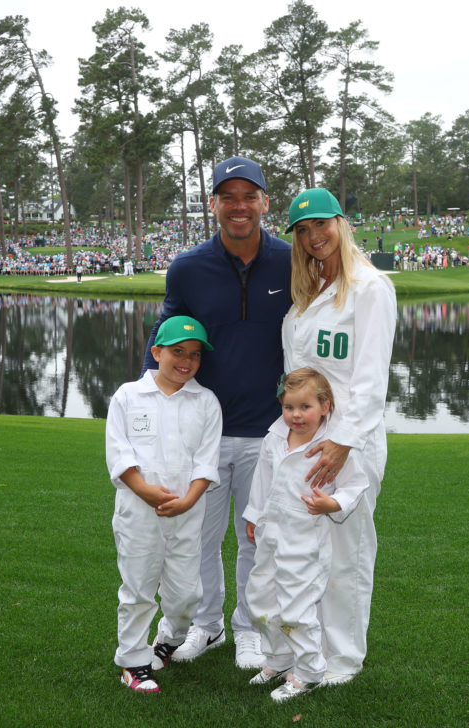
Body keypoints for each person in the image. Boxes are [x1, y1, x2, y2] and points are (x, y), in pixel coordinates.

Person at [142, 156, 292, 670]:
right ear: (213, 205)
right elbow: (164, 338)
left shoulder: (290, 262)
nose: (239, 206)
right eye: (227, 196)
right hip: (202, 430)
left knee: (256, 536)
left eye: (249, 196)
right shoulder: (187, 267)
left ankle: (249, 628)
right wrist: (148, 400)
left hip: (269, 429)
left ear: (265, 203)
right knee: (201, 540)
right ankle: (208, 626)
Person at [281, 188, 397, 685]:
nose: (314, 237)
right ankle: (307, 649)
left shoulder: (369, 287)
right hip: (308, 438)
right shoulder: (307, 295)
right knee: (307, 550)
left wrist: (344, 440)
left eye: (321, 225)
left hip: (352, 442)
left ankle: (344, 659)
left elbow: (372, 379)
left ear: (342, 223)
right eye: (303, 231)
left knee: (347, 551)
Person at [105, 315, 223, 693]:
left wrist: (189, 499)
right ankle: (133, 661)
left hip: (188, 514)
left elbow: (207, 460)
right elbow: (119, 454)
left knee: (187, 592)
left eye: (194, 354)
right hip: (138, 513)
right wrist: (144, 489)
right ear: (156, 352)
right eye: (177, 351)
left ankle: (169, 640)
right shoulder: (128, 396)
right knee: (138, 588)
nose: (186, 360)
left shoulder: (206, 402)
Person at [243, 368, 369, 702]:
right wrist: (255, 515)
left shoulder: (333, 446)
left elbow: (357, 484)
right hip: (272, 531)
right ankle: (279, 658)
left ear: (325, 406)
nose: (296, 416)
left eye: (305, 407)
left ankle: (310, 670)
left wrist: (333, 502)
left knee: (297, 606)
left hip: (305, 538)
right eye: (289, 407)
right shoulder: (274, 437)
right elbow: (262, 478)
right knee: (260, 598)